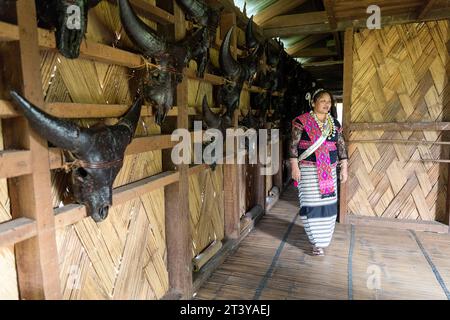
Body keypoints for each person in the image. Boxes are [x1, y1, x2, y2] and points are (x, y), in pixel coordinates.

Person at [289, 89, 348, 256]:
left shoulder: (334, 124)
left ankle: (324, 240)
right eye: (322, 100)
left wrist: (344, 167)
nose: (326, 104)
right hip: (309, 170)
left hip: (329, 171)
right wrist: (294, 166)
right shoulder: (302, 121)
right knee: (312, 205)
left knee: (327, 206)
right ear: (313, 103)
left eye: (329, 101)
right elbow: (293, 145)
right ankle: (316, 243)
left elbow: (341, 145)